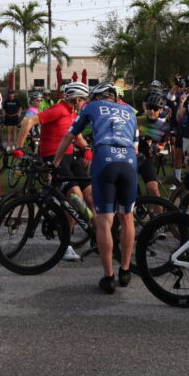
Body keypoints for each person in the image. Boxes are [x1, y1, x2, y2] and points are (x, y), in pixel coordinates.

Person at [55, 82, 139, 293]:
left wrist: (55, 162)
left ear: (96, 97)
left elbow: (70, 135)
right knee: (127, 217)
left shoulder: (91, 107)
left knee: (104, 220)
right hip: (129, 161)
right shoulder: (129, 110)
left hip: (105, 159)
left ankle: (109, 277)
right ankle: (126, 270)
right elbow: (136, 145)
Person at [14, 82, 91, 262]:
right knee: (75, 197)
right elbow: (28, 121)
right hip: (52, 157)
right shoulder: (58, 109)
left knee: (91, 195)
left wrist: (86, 148)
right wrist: (19, 147)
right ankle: (66, 245)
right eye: (84, 100)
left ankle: (95, 232)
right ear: (77, 98)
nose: (85, 104)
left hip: (69, 157)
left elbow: (76, 136)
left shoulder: (73, 113)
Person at [136, 93, 169, 198]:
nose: (152, 111)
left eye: (155, 108)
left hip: (147, 158)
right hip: (132, 156)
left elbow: (162, 146)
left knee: (153, 188)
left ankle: (160, 214)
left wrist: (156, 148)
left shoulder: (163, 127)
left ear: (160, 110)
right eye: (150, 107)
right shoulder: (137, 120)